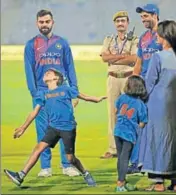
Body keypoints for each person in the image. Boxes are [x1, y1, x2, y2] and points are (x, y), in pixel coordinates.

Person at [4, 68, 107, 187]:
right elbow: (34, 112)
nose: (46, 73)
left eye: (50, 73)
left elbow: (84, 97)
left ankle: (85, 173)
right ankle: (20, 176)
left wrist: (97, 99)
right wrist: (23, 127)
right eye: (46, 73)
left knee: (70, 159)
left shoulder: (66, 89)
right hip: (53, 128)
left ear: (56, 78)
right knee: (38, 148)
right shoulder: (43, 94)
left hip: (68, 128)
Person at [24, 9, 80, 177]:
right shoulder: (31, 44)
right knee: (42, 130)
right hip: (42, 92)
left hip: (62, 93)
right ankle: (45, 167)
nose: (44, 25)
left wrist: (74, 90)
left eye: (47, 22)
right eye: (41, 22)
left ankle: (67, 165)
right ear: (37, 24)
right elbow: (29, 70)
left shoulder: (62, 43)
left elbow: (69, 66)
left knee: (64, 127)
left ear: (52, 22)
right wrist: (35, 92)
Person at [139, 20, 176, 192]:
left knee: (157, 138)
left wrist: (140, 99)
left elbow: (149, 83)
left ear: (164, 36)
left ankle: (158, 180)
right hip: (173, 103)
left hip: (158, 103)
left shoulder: (158, 56)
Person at [128, 4, 162, 174]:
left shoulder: (164, 35)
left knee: (157, 127)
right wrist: (133, 84)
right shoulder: (143, 38)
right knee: (139, 125)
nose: (143, 20)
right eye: (142, 17)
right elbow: (139, 62)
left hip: (159, 88)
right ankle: (137, 163)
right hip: (143, 89)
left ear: (155, 15)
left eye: (146, 16)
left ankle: (158, 164)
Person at [100, 11, 138, 159]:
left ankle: (132, 149)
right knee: (113, 113)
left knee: (129, 113)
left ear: (127, 23)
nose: (120, 23)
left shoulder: (134, 39)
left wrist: (114, 58)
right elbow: (104, 57)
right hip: (113, 79)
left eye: (123, 21)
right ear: (115, 24)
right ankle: (113, 148)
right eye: (118, 21)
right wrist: (123, 56)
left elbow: (134, 59)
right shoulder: (109, 39)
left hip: (128, 79)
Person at [114, 75, 148, 192]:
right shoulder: (140, 104)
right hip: (128, 134)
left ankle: (123, 182)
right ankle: (120, 183)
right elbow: (143, 122)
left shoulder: (121, 98)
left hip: (118, 131)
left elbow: (116, 111)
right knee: (125, 158)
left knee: (120, 158)